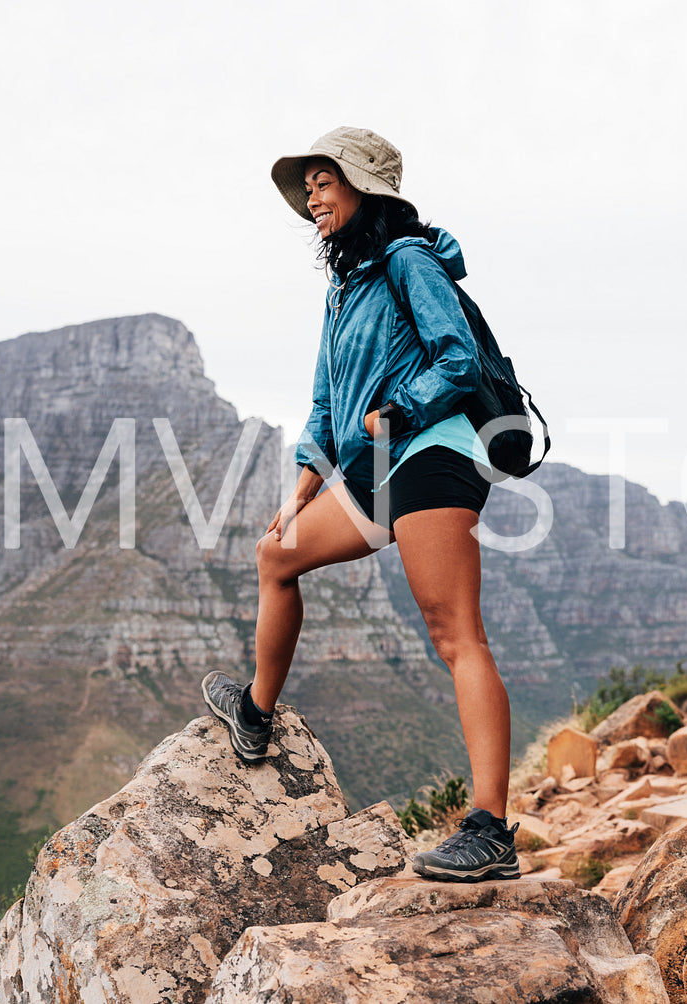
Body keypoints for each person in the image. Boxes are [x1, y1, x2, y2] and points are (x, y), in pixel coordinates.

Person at [201, 126, 519, 883]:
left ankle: (490, 830)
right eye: (305, 184)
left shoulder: (410, 260)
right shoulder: (344, 287)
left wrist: (400, 410)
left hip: (431, 449)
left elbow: (456, 355)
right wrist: (305, 481)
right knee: (275, 553)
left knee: (454, 632)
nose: (311, 195)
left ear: (362, 186)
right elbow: (323, 396)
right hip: (374, 465)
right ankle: (253, 713)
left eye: (323, 180)